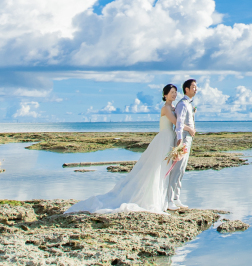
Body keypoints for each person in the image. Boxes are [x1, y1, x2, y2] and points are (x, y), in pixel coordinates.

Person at [64, 85, 178, 215]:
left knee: (164, 169)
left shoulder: (174, 108)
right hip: (163, 139)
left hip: (169, 138)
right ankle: (155, 199)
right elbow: (175, 122)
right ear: (165, 95)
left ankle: (165, 199)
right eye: (172, 92)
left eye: (175, 92)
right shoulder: (166, 108)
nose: (174, 94)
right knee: (156, 169)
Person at [167, 78, 197, 211]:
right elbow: (178, 125)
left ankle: (176, 198)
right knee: (177, 169)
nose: (196, 89)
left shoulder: (188, 104)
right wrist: (179, 141)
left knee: (181, 170)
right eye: (194, 87)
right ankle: (169, 200)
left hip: (188, 138)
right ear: (187, 89)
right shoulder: (183, 104)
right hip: (183, 138)